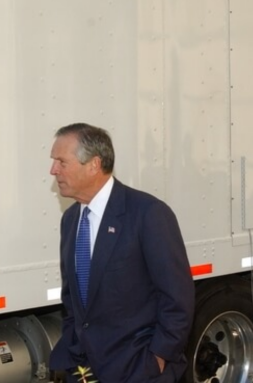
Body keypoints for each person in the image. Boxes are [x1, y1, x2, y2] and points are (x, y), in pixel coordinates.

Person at [48, 123, 194, 382]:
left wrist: (158, 357)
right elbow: (73, 299)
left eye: (62, 162)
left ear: (93, 165)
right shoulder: (71, 220)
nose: (53, 170)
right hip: (85, 370)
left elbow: (177, 297)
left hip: (138, 368)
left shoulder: (147, 214)